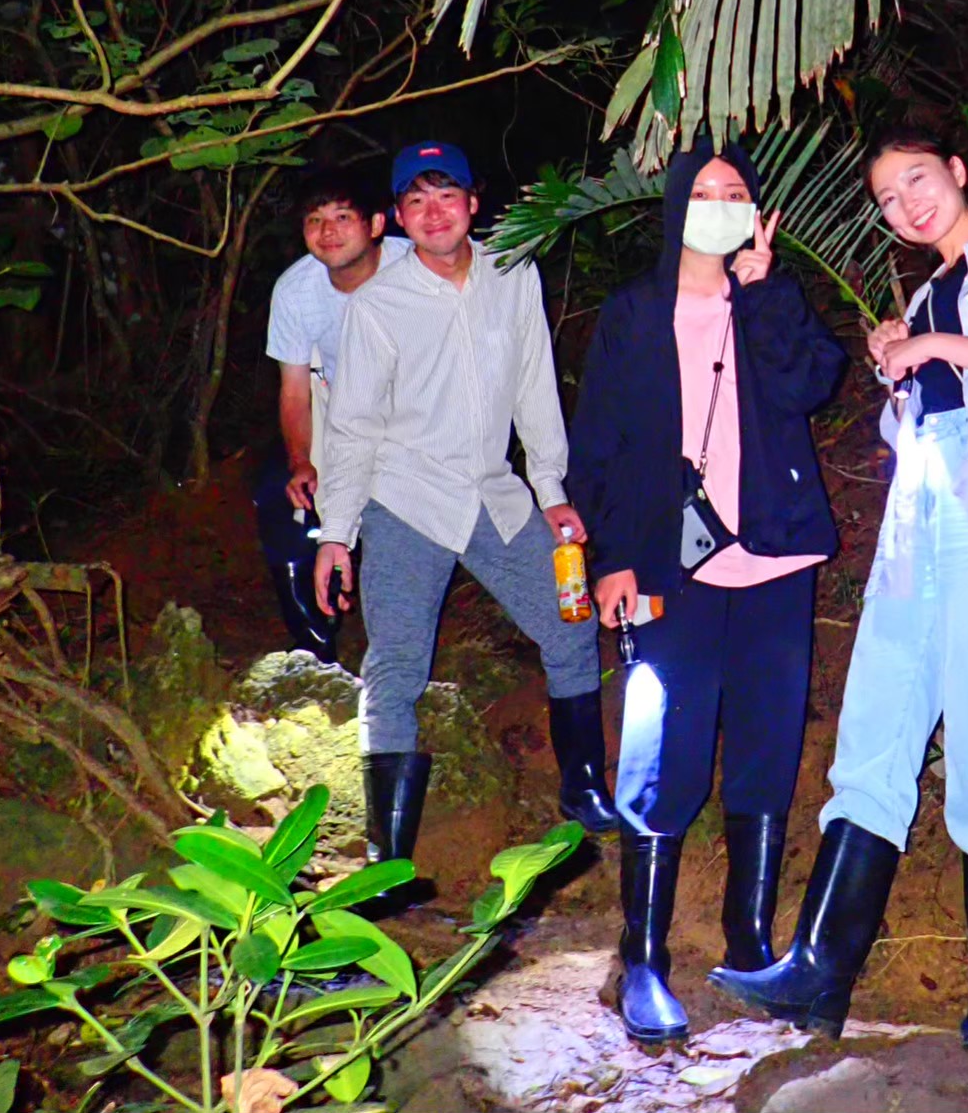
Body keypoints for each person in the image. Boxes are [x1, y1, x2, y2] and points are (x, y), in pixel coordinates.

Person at [711, 125, 968, 1054]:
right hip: (922, 502)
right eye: (888, 197)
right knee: (878, 713)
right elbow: (915, 418)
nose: (906, 204)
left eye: (917, 179)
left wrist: (934, 344)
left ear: (957, 172)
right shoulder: (927, 294)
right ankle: (818, 971)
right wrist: (899, 365)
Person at [567, 143, 848, 1044]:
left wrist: (765, 291)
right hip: (667, 567)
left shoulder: (766, 299)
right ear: (675, 206)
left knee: (766, 746)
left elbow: (814, 382)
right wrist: (612, 557)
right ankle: (644, 955)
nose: (721, 203)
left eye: (737, 192)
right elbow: (598, 443)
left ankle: (749, 940)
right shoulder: (634, 312)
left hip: (774, 565)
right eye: (705, 191)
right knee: (662, 752)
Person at [313, 141, 619, 903]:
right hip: (406, 497)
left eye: (446, 194)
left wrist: (550, 487)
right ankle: (386, 860)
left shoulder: (513, 275)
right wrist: (336, 533)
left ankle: (583, 789)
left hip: (491, 492)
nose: (434, 212)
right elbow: (351, 427)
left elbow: (535, 382)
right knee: (396, 665)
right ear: (397, 218)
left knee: (571, 625)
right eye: (416, 200)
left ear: (473, 202)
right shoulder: (375, 305)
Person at [255, 166, 410, 662]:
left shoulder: (416, 268)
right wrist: (301, 461)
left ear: (376, 224)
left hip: (418, 413)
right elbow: (294, 391)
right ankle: (315, 651)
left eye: (343, 217)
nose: (328, 231)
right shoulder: (296, 290)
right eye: (314, 220)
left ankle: (399, 643)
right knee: (284, 498)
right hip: (337, 405)